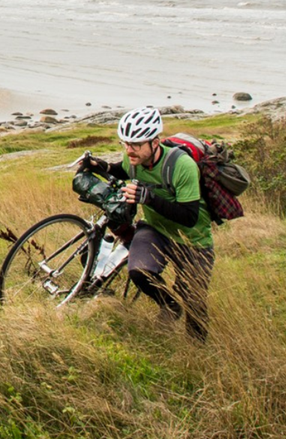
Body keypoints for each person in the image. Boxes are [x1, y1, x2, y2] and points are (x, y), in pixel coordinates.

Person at [81, 106, 214, 341]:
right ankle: (169, 305)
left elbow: (190, 217)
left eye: (136, 144)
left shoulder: (182, 166)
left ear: (155, 142)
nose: (129, 150)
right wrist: (101, 166)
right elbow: (122, 170)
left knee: (194, 299)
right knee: (139, 271)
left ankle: (197, 352)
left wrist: (149, 198)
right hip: (155, 230)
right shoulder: (133, 158)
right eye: (125, 143)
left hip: (193, 240)